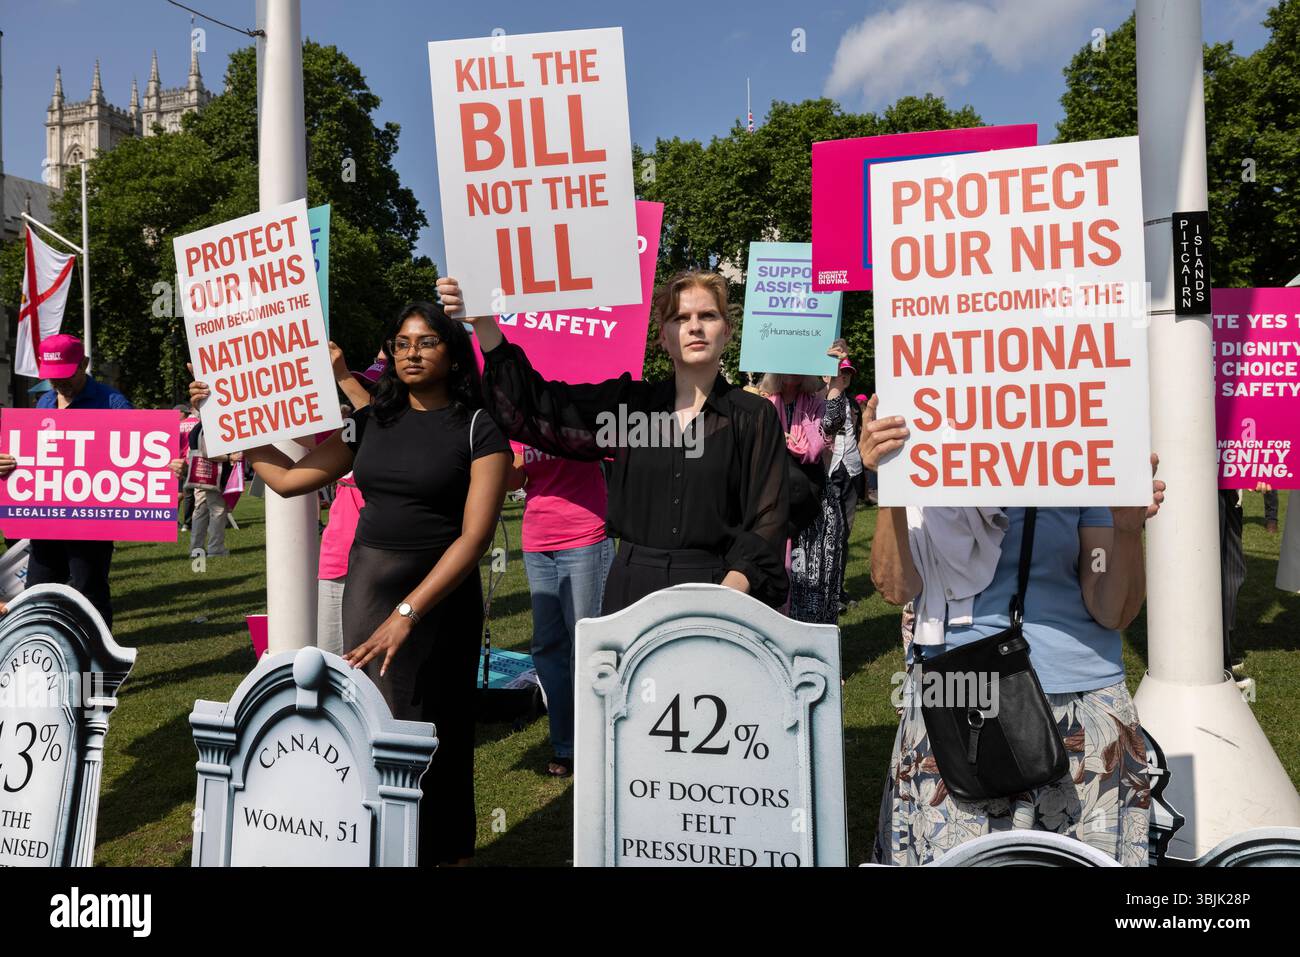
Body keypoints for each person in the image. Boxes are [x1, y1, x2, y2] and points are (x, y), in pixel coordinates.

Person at [189, 302, 511, 866]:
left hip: (436, 602)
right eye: (403, 342)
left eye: (428, 341)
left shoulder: (479, 426)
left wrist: (407, 614)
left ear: (453, 353)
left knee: (438, 735)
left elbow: (475, 537)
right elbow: (290, 478)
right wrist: (223, 420)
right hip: (368, 591)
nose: (412, 352)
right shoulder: (370, 421)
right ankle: (381, 848)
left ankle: (445, 853)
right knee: (369, 726)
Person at [861, 395, 1166, 866]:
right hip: (961, 701)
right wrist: (892, 485)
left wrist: (1125, 530)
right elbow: (894, 585)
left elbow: (1112, 610)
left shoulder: (1081, 443)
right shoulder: (925, 443)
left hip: (1079, 710)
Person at [436, 270, 789, 615]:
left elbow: (769, 517)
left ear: (726, 331)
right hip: (633, 591)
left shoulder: (753, 415)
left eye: (707, 315)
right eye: (680, 318)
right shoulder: (629, 408)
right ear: (663, 336)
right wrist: (484, 324)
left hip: (720, 589)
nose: (694, 327)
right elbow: (539, 407)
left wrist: (728, 595)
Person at [0, 334, 131, 628]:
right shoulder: (44, 402)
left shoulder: (112, 402)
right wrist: (8, 463)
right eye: (52, 377)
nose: (59, 384)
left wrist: (166, 466)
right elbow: (32, 457)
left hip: (90, 520)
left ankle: (96, 664)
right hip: (46, 519)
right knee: (37, 591)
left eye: (65, 375)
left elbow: (137, 451)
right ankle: (42, 660)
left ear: (84, 364)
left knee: (89, 593)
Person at [509, 441, 613, 777]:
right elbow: (515, 480)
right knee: (548, 645)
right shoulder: (521, 415)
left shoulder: (583, 404)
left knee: (587, 646)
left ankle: (598, 741)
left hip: (585, 535)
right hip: (538, 541)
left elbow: (611, 452)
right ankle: (566, 745)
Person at [761, 368, 848, 625]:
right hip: (774, 506)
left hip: (815, 509)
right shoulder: (762, 407)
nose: (792, 372)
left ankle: (815, 649)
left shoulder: (816, 405)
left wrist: (835, 379)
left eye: (799, 366)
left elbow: (832, 423)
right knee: (776, 578)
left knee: (814, 581)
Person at [316, 357, 385, 657]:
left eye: (371, 390)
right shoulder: (345, 434)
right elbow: (286, 437)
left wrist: (343, 375)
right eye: (362, 386)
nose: (360, 395)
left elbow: (378, 420)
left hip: (382, 568)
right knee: (329, 662)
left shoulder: (403, 435)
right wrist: (218, 408)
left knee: (373, 666)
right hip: (336, 563)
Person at [187, 421, 240, 557]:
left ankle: (196, 548)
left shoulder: (198, 427)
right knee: (218, 511)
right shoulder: (210, 425)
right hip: (213, 476)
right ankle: (216, 549)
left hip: (200, 475)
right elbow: (207, 452)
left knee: (200, 512)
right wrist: (230, 457)